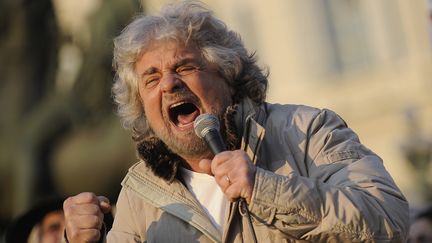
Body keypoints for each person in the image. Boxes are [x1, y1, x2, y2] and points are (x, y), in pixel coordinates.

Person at [62, 1, 409, 242]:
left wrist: (264, 189)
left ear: (227, 74)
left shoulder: (306, 131)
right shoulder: (138, 194)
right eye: (151, 79)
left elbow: (388, 222)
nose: (168, 84)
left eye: (184, 67)